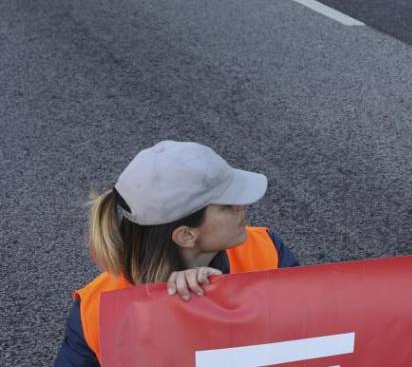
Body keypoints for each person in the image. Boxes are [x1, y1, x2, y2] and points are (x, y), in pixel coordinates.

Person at [54, 141, 299, 367]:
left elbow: (307, 329)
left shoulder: (267, 250)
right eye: (227, 205)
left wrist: (221, 293)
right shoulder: (97, 310)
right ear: (186, 235)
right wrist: (174, 308)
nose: (243, 206)